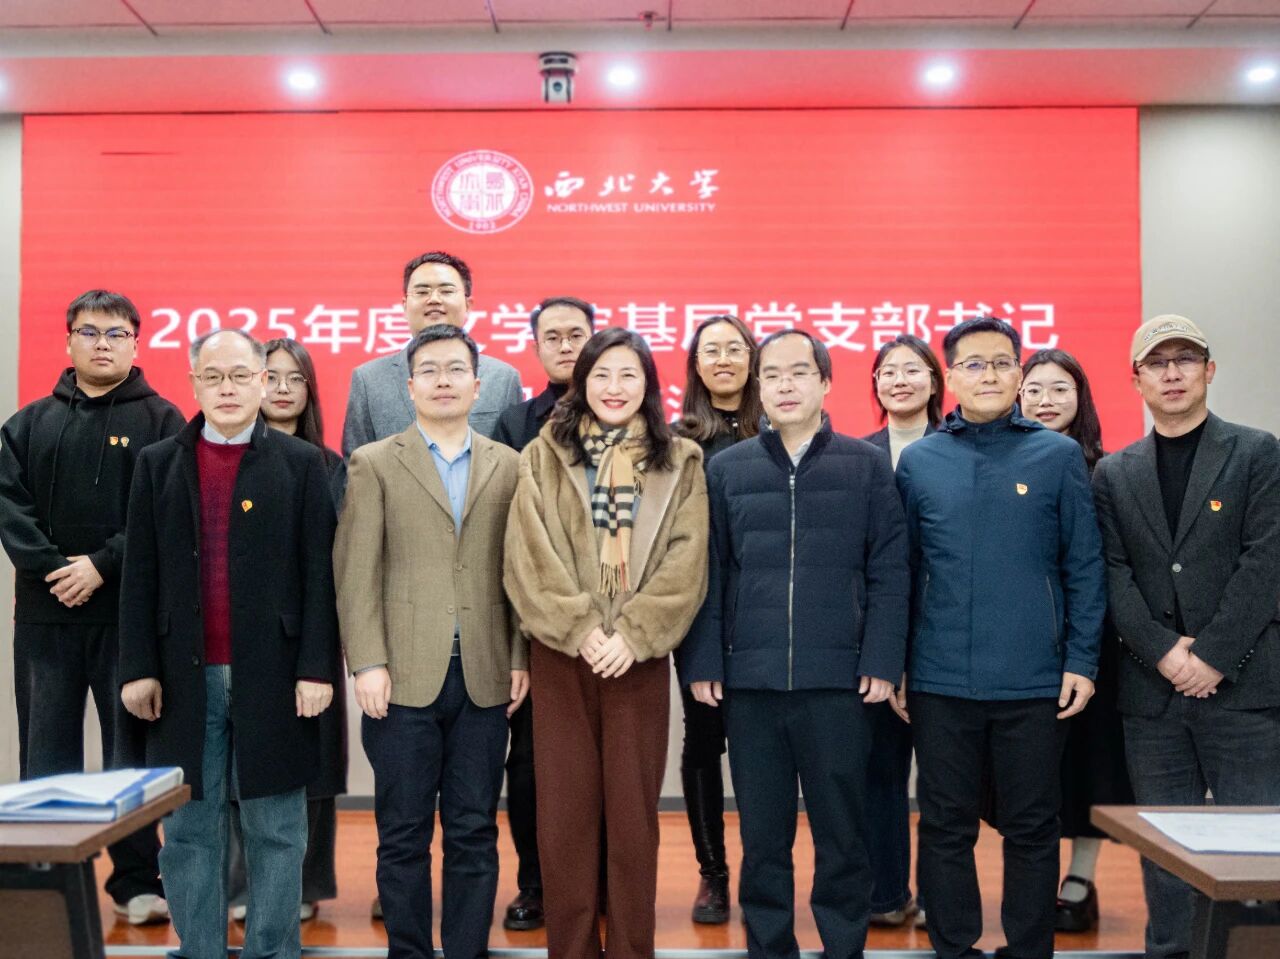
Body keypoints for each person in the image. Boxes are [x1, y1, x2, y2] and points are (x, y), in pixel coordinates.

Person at [681, 328, 910, 959]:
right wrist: (703, 660)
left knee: (843, 837)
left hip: (839, 684)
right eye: (772, 374)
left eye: (799, 372)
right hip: (750, 685)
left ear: (825, 383)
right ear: (759, 387)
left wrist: (882, 659)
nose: (785, 385)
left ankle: (843, 948)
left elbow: (890, 569)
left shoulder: (864, 465)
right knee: (763, 841)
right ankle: (769, 948)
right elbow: (709, 572)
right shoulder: (727, 469)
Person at [119, 328, 339, 959]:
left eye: (241, 375)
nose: (227, 388)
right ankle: (200, 950)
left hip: (275, 672)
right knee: (190, 828)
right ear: (194, 384)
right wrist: (138, 667)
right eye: (213, 376)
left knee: (277, 828)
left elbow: (319, 576)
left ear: (263, 382)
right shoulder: (158, 463)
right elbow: (139, 574)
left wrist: (317, 667)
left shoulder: (302, 464)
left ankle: (274, 950)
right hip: (182, 676)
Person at [895, 316, 1105, 959]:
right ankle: (953, 948)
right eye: (973, 363)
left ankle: (1029, 949)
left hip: (1035, 680)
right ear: (950, 376)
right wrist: (897, 663)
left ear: (1019, 372)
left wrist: (1082, 660)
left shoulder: (1057, 456)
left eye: (1001, 362)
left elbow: (1084, 566)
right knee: (945, 826)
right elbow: (902, 571)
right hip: (938, 679)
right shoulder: (920, 460)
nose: (988, 375)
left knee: (1033, 827)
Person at [503, 327, 709, 959]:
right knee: (564, 818)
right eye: (601, 374)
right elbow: (528, 555)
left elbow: (686, 562)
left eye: (628, 375)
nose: (614, 388)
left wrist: (635, 633)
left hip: (637, 663)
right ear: (580, 383)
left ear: (648, 383)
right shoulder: (543, 454)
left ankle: (629, 949)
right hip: (561, 656)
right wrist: (580, 629)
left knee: (631, 820)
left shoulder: (681, 460)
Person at [336, 324, 526, 959]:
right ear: (410, 386)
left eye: (456, 369)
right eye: (430, 371)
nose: (443, 381)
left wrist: (519, 655)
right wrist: (367, 661)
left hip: (485, 673)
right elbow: (356, 572)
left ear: (479, 384)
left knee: (474, 830)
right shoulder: (374, 462)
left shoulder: (510, 465)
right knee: (403, 833)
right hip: (400, 677)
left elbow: (521, 571)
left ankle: (468, 950)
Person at [1092, 315, 1280, 959]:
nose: (1172, 373)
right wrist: (1166, 653)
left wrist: (1213, 656)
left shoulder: (1257, 453)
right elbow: (1113, 573)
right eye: (1157, 362)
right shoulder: (1114, 472)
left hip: (1245, 687)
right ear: (1136, 380)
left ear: (1209, 370)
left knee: (1254, 853)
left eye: (1186, 359)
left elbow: (1265, 563)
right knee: (1167, 856)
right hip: (1154, 695)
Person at [0, 290, 182, 926]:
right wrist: (56, 569)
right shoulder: (28, 423)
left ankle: (134, 884)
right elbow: (9, 509)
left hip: (128, 618)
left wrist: (101, 564)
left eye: (116, 333)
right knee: (46, 757)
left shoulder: (164, 421)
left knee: (131, 759)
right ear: (68, 340)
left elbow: (166, 513)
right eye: (89, 332)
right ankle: (45, 882)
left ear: (136, 343)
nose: (102, 343)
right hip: (47, 615)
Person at [225, 337, 349, 923]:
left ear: (309, 391)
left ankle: (304, 885)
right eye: (270, 376)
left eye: (293, 378)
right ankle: (242, 885)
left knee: (312, 764)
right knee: (241, 762)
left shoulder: (330, 465)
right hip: (242, 638)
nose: (280, 388)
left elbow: (335, 559)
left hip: (311, 633)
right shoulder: (224, 457)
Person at [1019, 349, 1134, 934]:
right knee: (1034, 776)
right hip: (1025, 645)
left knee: (1091, 767)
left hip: (1095, 646)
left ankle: (1079, 881)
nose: (1046, 400)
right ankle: (1035, 882)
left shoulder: (1108, 471)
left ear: (1081, 398)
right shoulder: (1001, 462)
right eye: (1034, 389)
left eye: (1060, 389)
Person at [491, 295, 595, 932]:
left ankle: (601, 883)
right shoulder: (513, 422)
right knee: (531, 766)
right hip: (536, 622)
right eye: (552, 336)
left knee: (603, 764)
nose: (565, 346)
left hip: (612, 625)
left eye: (576, 334)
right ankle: (536, 883)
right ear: (535, 348)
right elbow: (509, 530)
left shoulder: (630, 414)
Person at [672, 313, 763, 925]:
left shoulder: (784, 429)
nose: (724, 359)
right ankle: (713, 872)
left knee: (759, 747)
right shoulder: (677, 441)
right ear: (696, 365)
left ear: (753, 359)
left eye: (735, 348)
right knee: (704, 741)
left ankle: (761, 871)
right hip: (700, 613)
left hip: (765, 613)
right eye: (712, 351)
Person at [860, 333, 943, 930]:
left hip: (942, 638)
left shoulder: (959, 448)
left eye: (913, 370)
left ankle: (942, 898)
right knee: (879, 776)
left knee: (942, 783)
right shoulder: (857, 456)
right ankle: (886, 894)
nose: (900, 380)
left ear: (936, 382)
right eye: (888, 371)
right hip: (875, 642)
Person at [342, 251, 522, 456]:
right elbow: (354, 464)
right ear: (404, 306)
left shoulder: (504, 378)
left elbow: (514, 464)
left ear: (468, 305)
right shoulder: (369, 379)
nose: (434, 299)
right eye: (422, 292)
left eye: (446, 291)